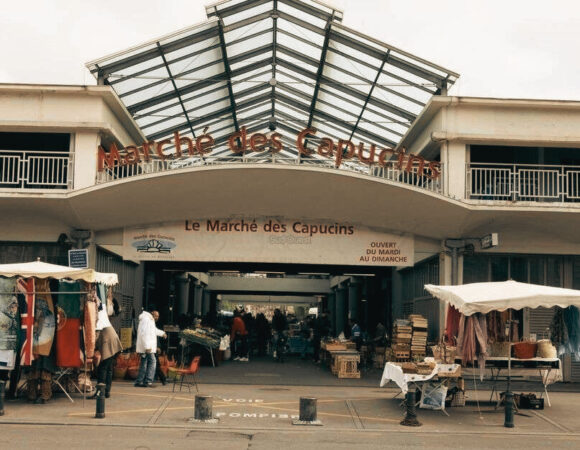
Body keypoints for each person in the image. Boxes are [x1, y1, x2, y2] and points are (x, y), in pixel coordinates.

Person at [91, 296, 123, 398]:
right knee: (108, 368)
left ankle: (100, 392)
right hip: (113, 340)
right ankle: (106, 392)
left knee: (102, 368)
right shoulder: (102, 312)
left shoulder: (98, 315)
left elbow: (96, 333)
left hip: (108, 342)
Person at [134, 310, 166, 387]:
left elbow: (153, 330)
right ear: (152, 313)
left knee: (144, 363)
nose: (157, 318)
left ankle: (139, 381)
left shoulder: (149, 320)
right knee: (153, 361)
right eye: (156, 316)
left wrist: (162, 333)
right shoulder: (147, 320)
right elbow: (144, 333)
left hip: (147, 346)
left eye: (158, 316)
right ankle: (148, 381)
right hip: (148, 347)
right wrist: (147, 347)